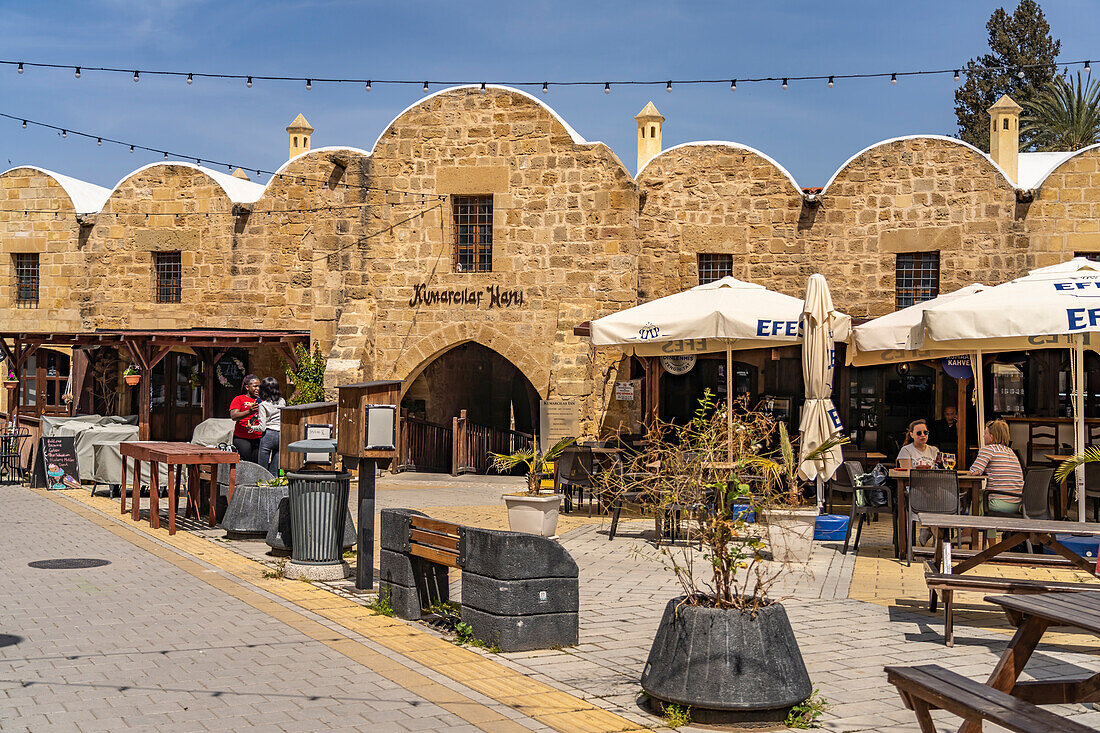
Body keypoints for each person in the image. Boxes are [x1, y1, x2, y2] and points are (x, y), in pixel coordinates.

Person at [969, 419, 1024, 515]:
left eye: (985, 433)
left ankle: (971, 528)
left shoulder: (988, 449)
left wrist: (969, 472)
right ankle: (972, 529)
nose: (983, 436)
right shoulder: (1010, 452)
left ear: (991, 436)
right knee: (980, 494)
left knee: (976, 501)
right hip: (1018, 503)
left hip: (1001, 503)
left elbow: (975, 472)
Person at [229, 374, 262, 462]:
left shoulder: (262, 400)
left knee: (257, 464)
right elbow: (233, 416)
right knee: (247, 462)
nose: (258, 389)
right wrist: (249, 412)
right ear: (247, 387)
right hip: (242, 437)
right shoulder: (239, 399)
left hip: (258, 437)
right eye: (255, 386)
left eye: (259, 386)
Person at [257, 377, 285, 475]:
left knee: (262, 468)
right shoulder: (282, 401)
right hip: (280, 434)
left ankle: (262, 485)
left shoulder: (263, 405)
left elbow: (262, 427)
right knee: (275, 469)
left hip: (268, 434)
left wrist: (250, 427)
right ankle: (274, 487)